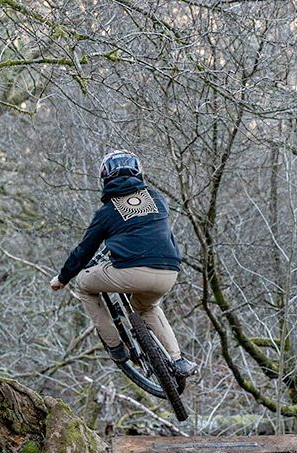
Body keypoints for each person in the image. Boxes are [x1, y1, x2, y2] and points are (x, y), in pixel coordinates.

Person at [50, 150, 199, 378]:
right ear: (138, 172)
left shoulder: (107, 212)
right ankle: (178, 360)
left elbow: (84, 250)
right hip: (169, 272)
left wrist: (62, 278)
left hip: (133, 271)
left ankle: (116, 347)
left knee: (82, 283)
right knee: (147, 307)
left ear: (105, 178)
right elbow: (143, 229)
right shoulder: (158, 199)